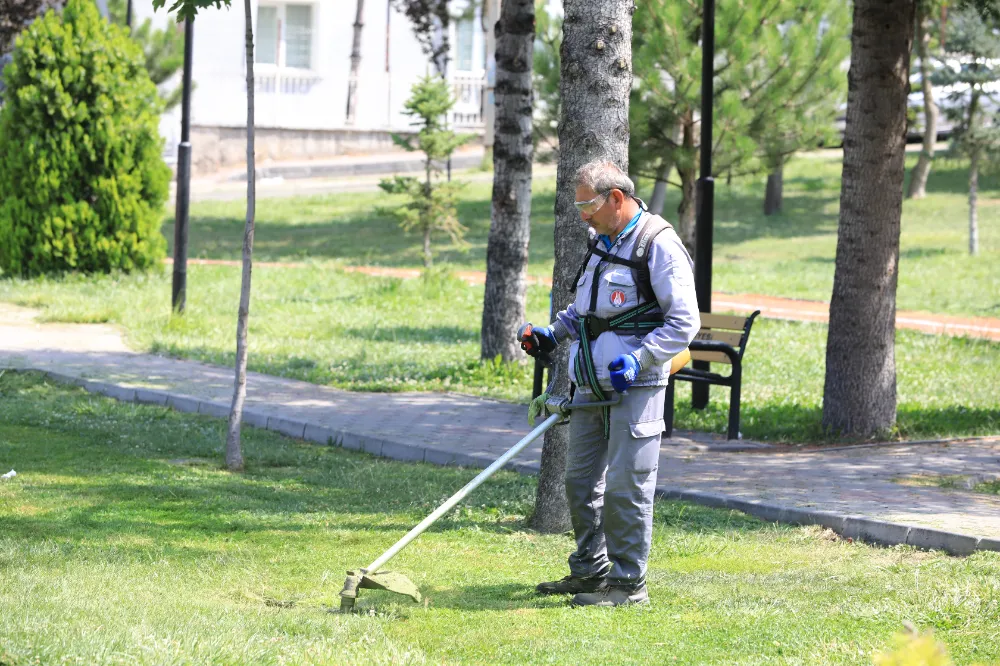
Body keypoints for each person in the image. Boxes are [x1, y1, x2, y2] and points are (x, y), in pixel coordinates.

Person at [519, 160, 700, 607]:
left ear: (616, 198)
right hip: (590, 386)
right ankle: (590, 572)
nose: (582, 214)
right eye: (579, 205)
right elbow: (585, 310)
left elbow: (684, 322)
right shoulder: (598, 241)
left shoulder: (657, 244)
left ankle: (627, 585)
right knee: (579, 483)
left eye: (588, 204)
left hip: (635, 388)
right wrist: (551, 333)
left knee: (626, 486)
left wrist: (640, 359)